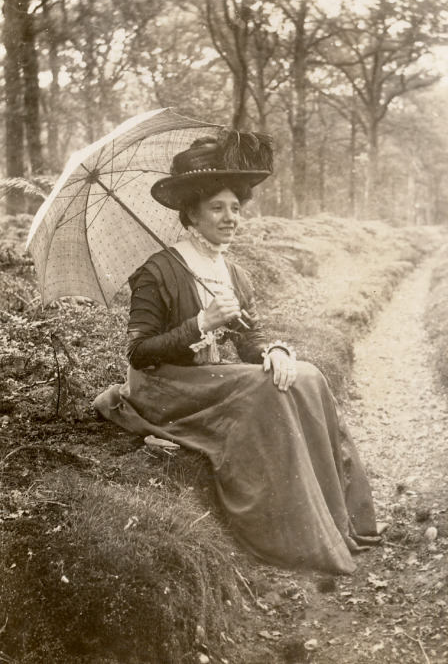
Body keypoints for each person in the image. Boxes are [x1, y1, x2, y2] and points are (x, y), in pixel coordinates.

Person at [94, 129, 381, 575]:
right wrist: (200, 324)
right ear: (191, 212)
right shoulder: (157, 271)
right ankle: (292, 535)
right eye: (218, 208)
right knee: (266, 393)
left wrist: (275, 351)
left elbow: (250, 335)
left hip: (206, 380)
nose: (231, 218)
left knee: (305, 376)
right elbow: (138, 352)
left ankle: (336, 519)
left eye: (235, 208)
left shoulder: (230, 270)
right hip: (164, 387)